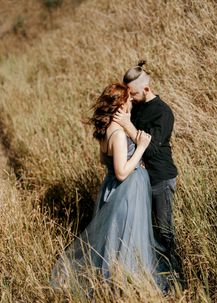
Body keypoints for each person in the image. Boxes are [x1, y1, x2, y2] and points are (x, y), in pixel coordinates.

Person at [51, 83, 167, 292]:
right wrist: (139, 150)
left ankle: (112, 281)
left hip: (111, 188)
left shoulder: (106, 130)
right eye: (128, 99)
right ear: (120, 105)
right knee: (126, 238)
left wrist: (131, 156)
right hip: (126, 192)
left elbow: (105, 160)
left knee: (113, 238)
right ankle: (122, 285)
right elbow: (122, 172)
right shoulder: (118, 134)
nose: (131, 101)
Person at [113, 61, 183, 284]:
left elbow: (151, 149)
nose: (130, 99)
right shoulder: (137, 105)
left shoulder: (163, 113)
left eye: (132, 94)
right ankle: (150, 274)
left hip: (160, 179)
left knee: (164, 231)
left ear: (145, 89)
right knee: (145, 232)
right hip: (138, 180)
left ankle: (174, 277)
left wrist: (128, 126)